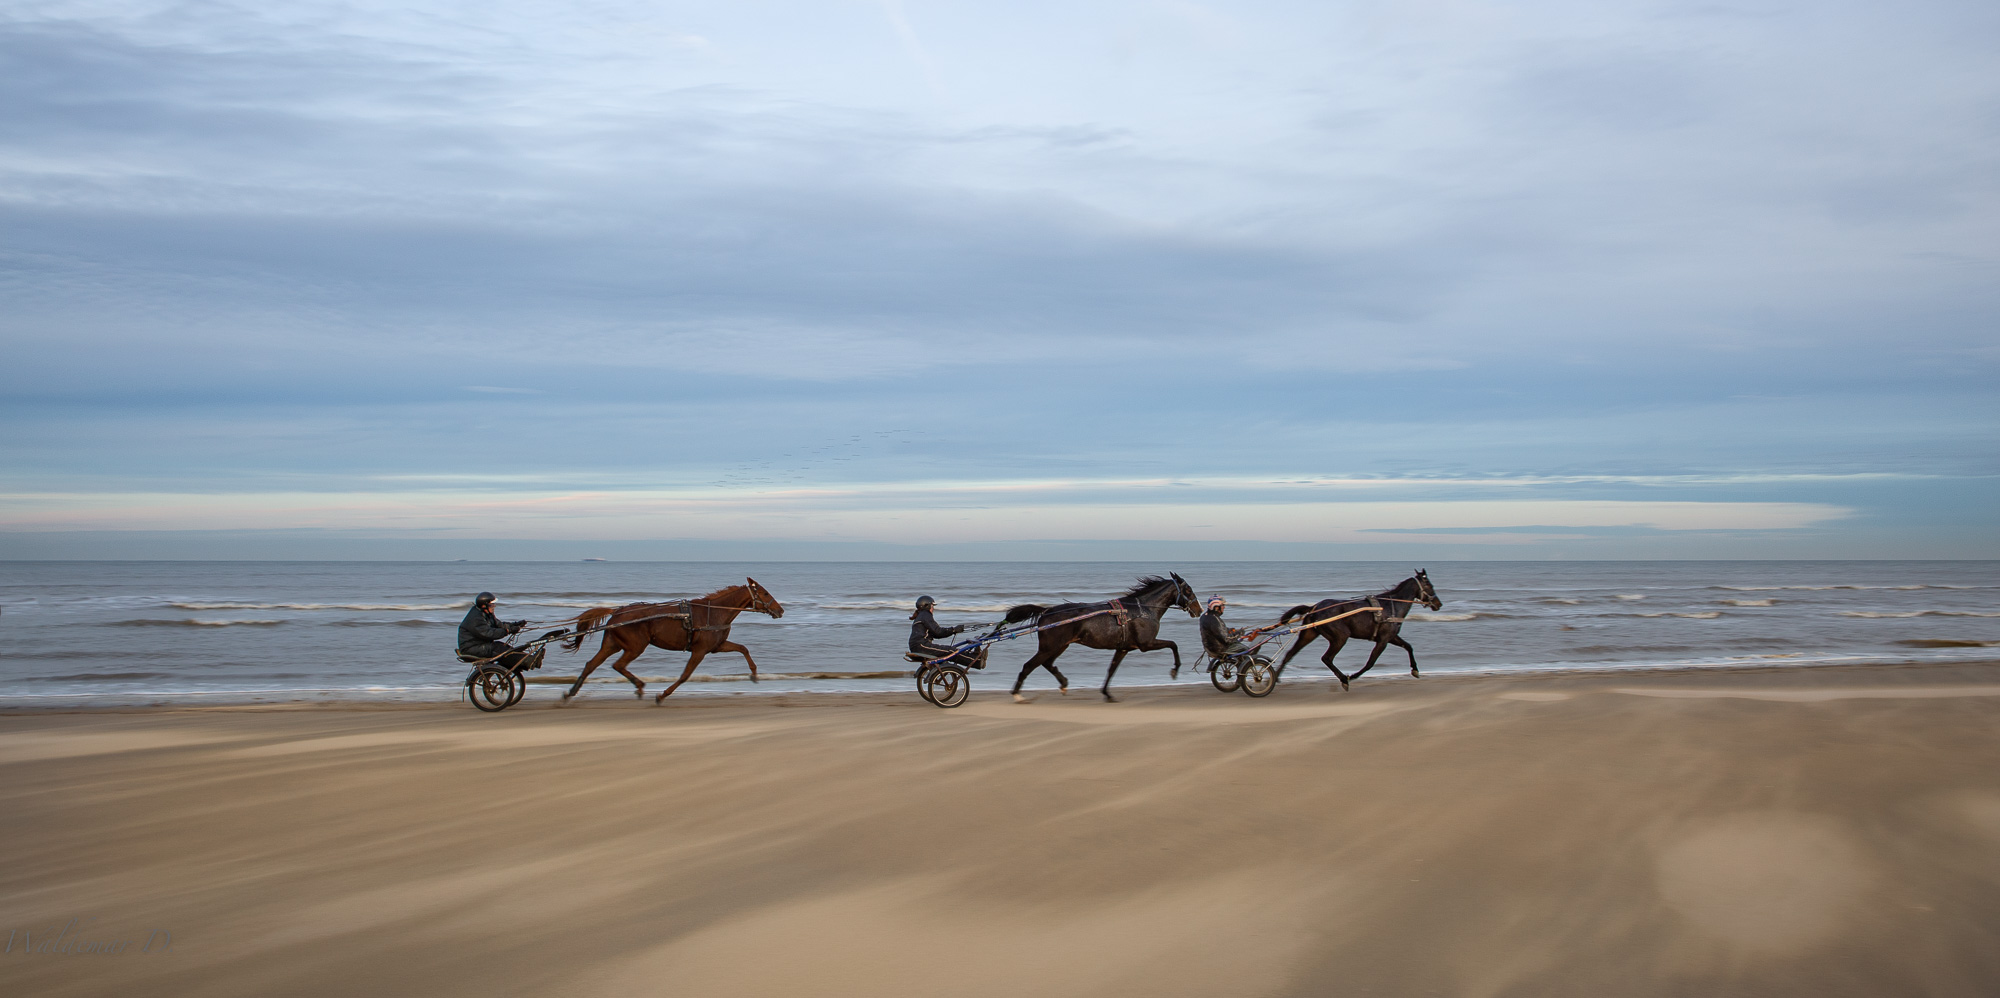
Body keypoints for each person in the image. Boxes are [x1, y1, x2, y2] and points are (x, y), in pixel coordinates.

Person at [458, 592, 530, 668]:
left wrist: (515, 625)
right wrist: (508, 631)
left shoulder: (486, 613)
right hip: (471, 649)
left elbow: (499, 625)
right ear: (484, 605)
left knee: (503, 646)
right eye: (492, 604)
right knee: (498, 648)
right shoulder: (475, 618)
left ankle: (526, 660)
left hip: (478, 645)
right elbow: (489, 633)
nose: (494, 606)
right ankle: (526, 661)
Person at [908, 595, 976, 667]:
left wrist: (953, 630)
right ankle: (976, 661)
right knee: (952, 651)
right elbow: (938, 632)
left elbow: (935, 634)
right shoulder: (925, 615)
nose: (933, 608)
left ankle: (973, 658)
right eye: (932, 606)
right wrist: (953, 630)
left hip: (918, 646)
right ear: (927, 606)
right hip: (921, 646)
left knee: (950, 650)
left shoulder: (921, 616)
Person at [1199, 596, 1263, 664]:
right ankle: (1248, 666)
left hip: (1210, 648)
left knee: (1238, 645)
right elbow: (1226, 639)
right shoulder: (1214, 620)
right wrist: (1239, 633)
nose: (1224, 607)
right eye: (1222, 605)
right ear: (1216, 607)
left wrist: (1230, 630)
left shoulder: (1204, 617)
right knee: (1248, 650)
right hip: (1220, 649)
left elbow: (1217, 631)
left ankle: (1241, 665)